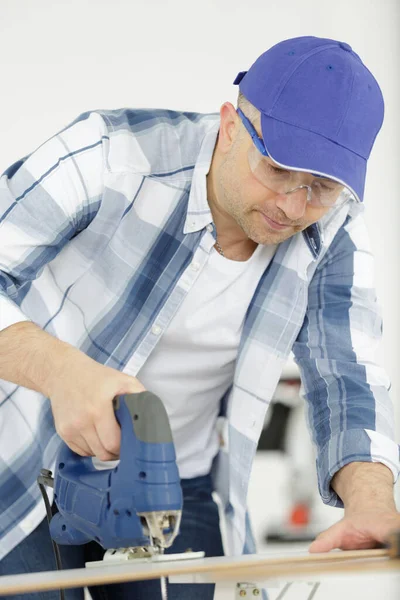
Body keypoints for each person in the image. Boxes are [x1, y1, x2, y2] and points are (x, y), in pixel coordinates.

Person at [0, 35, 399, 599]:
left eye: (321, 187)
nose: (292, 205)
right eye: (279, 169)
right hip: (22, 467)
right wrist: (61, 373)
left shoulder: (331, 235)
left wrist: (372, 500)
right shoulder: (108, 155)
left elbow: (347, 375)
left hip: (173, 486)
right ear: (232, 125)